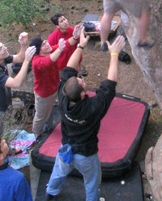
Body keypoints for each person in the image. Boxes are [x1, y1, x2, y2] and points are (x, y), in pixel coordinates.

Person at [45, 28, 126, 201]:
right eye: (82, 81)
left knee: (58, 173)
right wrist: (114, 55)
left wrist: (80, 45)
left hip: (65, 150)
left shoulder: (64, 95)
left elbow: (69, 67)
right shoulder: (93, 107)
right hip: (86, 154)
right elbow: (110, 83)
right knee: (91, 181)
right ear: (83, 94)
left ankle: (50, 193)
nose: (82, 79)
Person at [0, 32, 35, 135]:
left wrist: (23, 45)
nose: (5, 48)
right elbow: (16, 83)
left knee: (7, 129)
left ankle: (8, 146)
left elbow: (19, 58)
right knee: (0, 136)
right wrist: (26, 62)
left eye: (3, 46)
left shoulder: (0, 59)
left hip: (6, 102)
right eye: (1, 48)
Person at [29, 36, 65, 139]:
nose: (47, 44)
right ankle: (36, 133)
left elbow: (62, 45)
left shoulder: (49, 51)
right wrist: (59, 49)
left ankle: (47, 127)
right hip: (43, 95)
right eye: (43, 44)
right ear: (38, 50)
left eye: (46, 42)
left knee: (48, 111)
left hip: (53, 89)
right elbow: (47, 62)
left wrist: (75, 37)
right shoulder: (37, 61)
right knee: (40, 116)